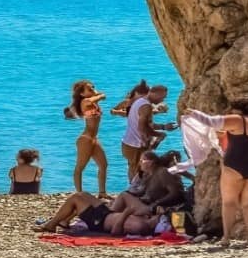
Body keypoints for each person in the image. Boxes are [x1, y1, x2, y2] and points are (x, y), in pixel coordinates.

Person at [199, 101, 248, 247]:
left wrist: (192, 114)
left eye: (232, 110)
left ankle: (226, 238)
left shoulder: (237, 119)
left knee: (229, 203)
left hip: (235, 165)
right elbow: (241, 138)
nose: (230, 112)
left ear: (238, 110)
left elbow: (211, 122)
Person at [32, 192, 160, 236]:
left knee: (75, 198)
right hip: (107, 213)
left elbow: (116, 233)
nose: (157, 216)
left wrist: (126, 213)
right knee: (83, 194)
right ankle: (64, 221)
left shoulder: (141, 226)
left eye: (158, 217)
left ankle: (51, 225)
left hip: (99, 223)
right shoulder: (145, 218)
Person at [65, 80, 109, 196]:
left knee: (103, 165)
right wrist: (100, 95)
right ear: (82, 94)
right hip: (85, 138)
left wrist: (96, 94)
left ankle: (102, 192)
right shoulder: (85, 101)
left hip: (94, 138)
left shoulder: (93, 102)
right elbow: (93, 99)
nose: (93, 90)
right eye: (90, 89)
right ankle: (79, 193)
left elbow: (96, 98)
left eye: (93, 88)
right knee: (80, 167)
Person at [121, 85, 173, 182]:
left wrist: (163, 127)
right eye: (163, 97)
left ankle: (133, 190)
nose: (163, 100)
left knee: (134, 168)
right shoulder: (146, 106)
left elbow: (147, 124)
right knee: (138, 171)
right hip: (136, 144)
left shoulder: (140, 101)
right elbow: (142, 128)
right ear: (157, 94)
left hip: (128, 142)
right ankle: (134, 192)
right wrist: (159, 135)